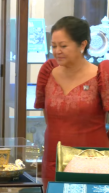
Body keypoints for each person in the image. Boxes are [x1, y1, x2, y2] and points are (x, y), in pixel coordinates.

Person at [34, 16, 109, 181]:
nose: (57, 51)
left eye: (63, 46)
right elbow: (49, 117)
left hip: (93, 161)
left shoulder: (101, 75)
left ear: (82, 45)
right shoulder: (48, 73)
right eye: (53, 46)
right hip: (54, 158)